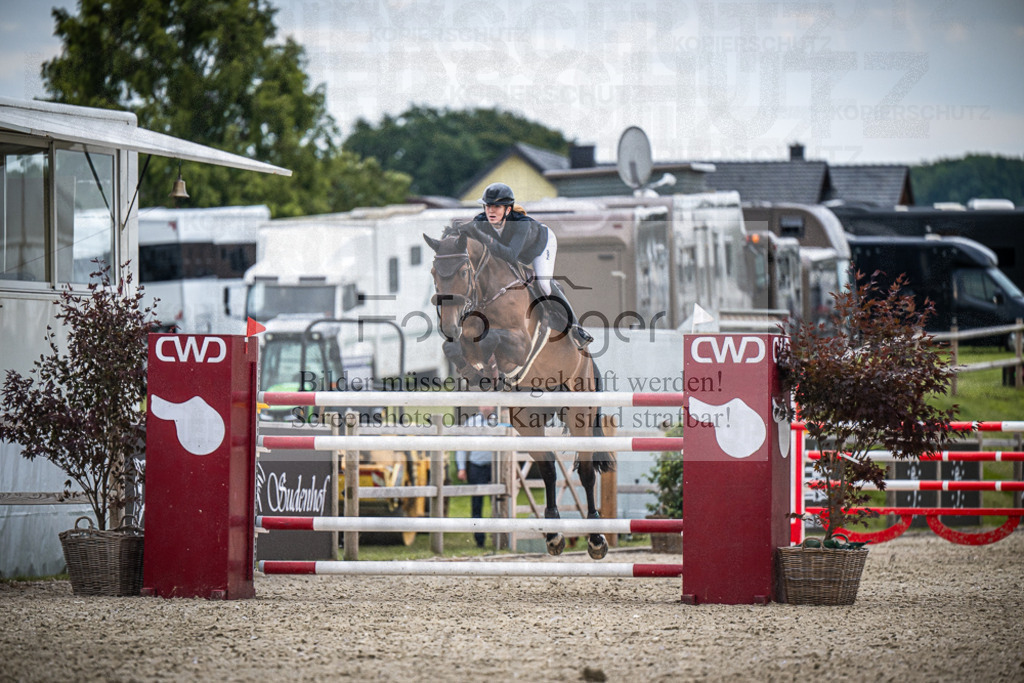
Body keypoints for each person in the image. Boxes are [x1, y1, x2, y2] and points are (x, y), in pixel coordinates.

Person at [467, 182, 594, 349]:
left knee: (543, 284)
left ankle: (576, 328)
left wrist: (487, 240)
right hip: (513, 251)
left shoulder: (522, 224)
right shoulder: (480, 221)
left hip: (541, 245)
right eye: (488, 206)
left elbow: (511, 255)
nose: (491, 211)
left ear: (508, 209)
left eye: (497, 206)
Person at [455, 405, 496, 548]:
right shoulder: (471, 423)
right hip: (476, 466)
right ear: (479, 406)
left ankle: (498, 537)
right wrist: (461, 468)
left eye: (489, 404)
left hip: (494, 467)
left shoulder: (499, 422)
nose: (486, 407)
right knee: (477, 503)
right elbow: (461, 446)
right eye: (484, 404)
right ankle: (479, 540)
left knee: (498, 502)